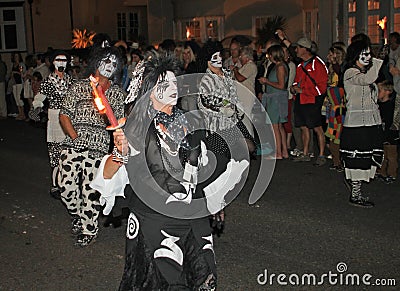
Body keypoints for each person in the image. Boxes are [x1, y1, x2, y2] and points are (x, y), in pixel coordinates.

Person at [91, 52, 249, 289]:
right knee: (163, 280)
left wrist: (215, 199)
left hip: (191, 213)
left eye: (175, 82)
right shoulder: (133, 127)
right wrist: (119, 152)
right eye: (165, 84)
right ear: (150, 91)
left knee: (204, 276)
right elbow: (108, 175)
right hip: (154, 218)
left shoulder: (187, 121)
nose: (173, 88)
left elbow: (201, 166)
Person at [58, 42, 125, 247]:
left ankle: (89, 229)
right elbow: (64, 115)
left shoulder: (116, 94)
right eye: (105, 60)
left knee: (90, 191)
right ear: (96, 62)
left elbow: (119, 125)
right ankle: (78, 214)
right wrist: (75, 138)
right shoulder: (79, 87)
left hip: (97, 150)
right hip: (73, 145)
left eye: (113, 62)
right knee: (65, 187)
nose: (109, 65)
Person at [340, 40, 384, 208]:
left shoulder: (368, 73)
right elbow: (366, 79)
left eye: (369, 53)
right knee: (358, 159)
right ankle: (355, 194)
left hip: (371, 122)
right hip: (357, 124)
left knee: (369, 158)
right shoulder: (350, 72)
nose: (368, 57)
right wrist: (379, 59)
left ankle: (357, 192)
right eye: (364, 53)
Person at [38, 50, 75, 199]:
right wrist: (36, 107)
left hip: (68, 118)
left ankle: (67, 183)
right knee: (55, 153)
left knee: (67, 152)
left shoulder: (70, 80)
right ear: (53, 62)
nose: (61, 63)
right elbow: (40, 97)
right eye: (58, 60)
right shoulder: (48, 81)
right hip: (54, 118)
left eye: (64, 60)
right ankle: (55, 185)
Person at [290, 37, 328, 166]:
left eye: (298, 47)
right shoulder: (301, 65)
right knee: (303, 127)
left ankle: (322, 154)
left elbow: (321, 88)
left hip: (312, 101)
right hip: (301, 100)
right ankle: (305, 153)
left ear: (305, 50)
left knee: (317, 128)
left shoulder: (318, 65)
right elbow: (296, 81)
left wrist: (303, 90)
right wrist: (294, 88)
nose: (296, 50)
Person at [259, 44, 289, 159]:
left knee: (275, 126)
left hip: (276, 99)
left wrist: (266, 81)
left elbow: (281, 85)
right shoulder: (278, 66)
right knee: (279, 126)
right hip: (275, 98)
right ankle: (284, 151)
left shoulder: (280, 67)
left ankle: (278, 152)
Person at [325, 45, 347, 172]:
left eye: (330, 54)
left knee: (337, 134)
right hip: (332, 106)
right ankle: (336, 160)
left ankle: (339, 161)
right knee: (333, 134)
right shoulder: (332, 69)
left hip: (339, 107)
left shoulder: (341, 70)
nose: (328, 57)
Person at [376, 81, 398, 183]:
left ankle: (392, 174)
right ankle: (382, 172)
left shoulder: (390, 106)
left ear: (388, 91)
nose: (377, 93)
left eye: (380, 90)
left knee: (391, 155)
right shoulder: (379, 105)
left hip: (391, 134)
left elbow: (390, 121)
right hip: (382, 133)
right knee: (382, 154)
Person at [0, 55, 7, 119]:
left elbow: (2, 74)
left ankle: (4, 113)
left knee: (2, 98)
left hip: (1, 82)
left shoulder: (1, 64)